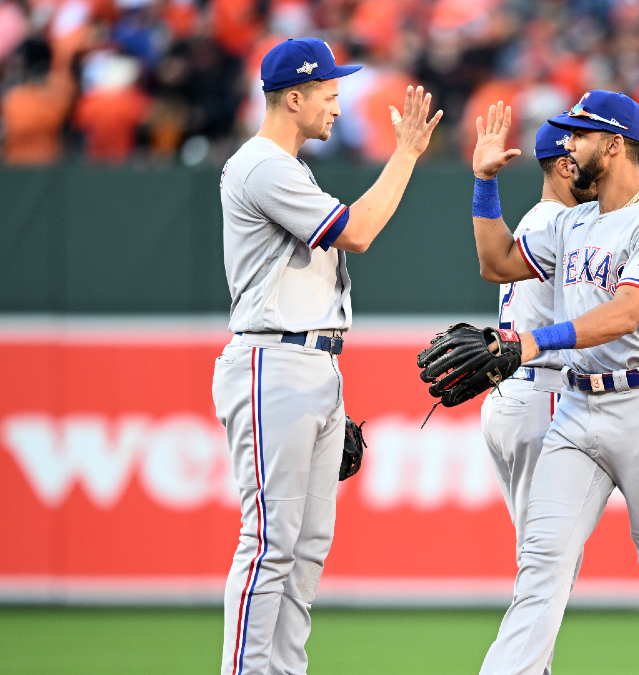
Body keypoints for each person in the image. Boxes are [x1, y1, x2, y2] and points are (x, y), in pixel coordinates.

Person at [213, 37, 441, 675]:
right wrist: (406, 155)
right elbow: (359, 232)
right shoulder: (262, 164)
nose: (339, 108)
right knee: (269, 545)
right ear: (294, 97)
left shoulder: (291, 165)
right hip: (272, 360)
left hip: (312, 362)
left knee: (306, 548)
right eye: (330, 94)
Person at [469, 91, 639, 675]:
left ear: (616, 144)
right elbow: (496, 263)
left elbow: (627, 311)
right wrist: (483, 183)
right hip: (576, 409)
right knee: (540, 567)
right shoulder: (573, 221)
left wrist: (536, 340)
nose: (568, 144)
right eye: (568, 134)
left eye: (580, 134)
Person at [481, 121, 597, 566]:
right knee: (547, 558)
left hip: (513, 393)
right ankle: (519, 640)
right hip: (542, 394)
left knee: (541, 553)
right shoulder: (565, 223)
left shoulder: (538, 219)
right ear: (567, 167)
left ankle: (527, 638)